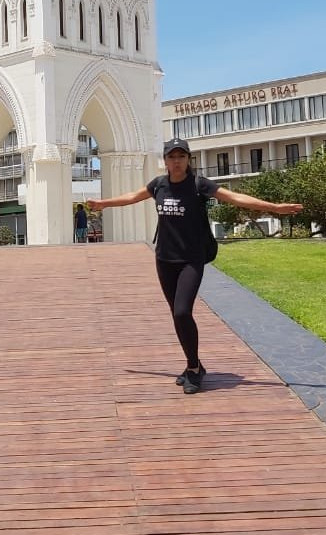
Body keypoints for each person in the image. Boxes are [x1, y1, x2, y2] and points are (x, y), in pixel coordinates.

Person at [87, 137, 303, 395]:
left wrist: (273, 208)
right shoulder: (159, 185)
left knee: (181, 312)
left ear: (188, 159)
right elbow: (133, 196)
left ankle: (193, 369)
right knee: (178, 316)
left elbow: (234, 197)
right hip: (165, 259)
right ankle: (195, 365)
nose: (176, 161)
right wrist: (104, 204)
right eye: (171, 157)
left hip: (191, 259)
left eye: (181, 156)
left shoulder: (199, 185)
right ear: (165, 161)